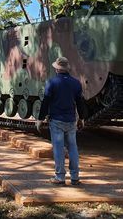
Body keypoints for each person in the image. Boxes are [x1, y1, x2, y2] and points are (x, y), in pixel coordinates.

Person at [36, 56, 86, 186]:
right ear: (66, 68)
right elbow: (80, 102)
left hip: (56, 120)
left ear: (57, 69)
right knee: (73, 148)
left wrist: (40, 119)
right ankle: (75, 177)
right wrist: (82, 118)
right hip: (70, 120)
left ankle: (60, 177)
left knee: (58, 148)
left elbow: (45, 101)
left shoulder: (51, 82)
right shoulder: (76, 83)